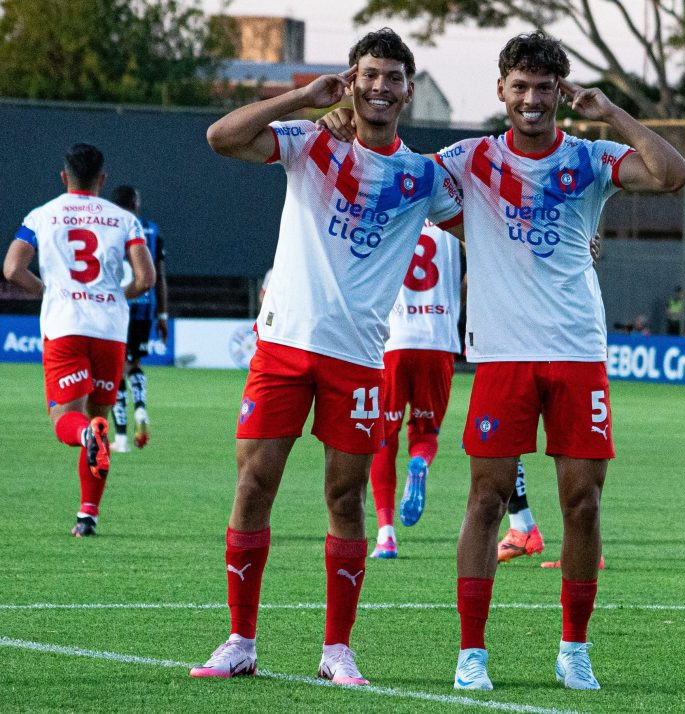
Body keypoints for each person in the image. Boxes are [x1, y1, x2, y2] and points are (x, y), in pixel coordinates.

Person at [188, 28, 463, 685]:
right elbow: (221, 138)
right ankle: (240, 641)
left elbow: (484, 226)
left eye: (393, 76)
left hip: (361, 358)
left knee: (346, 497)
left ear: (408, 89)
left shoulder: (424, 176)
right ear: (352, 77)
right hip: (283, 344)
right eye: (369, 73)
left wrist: (575, 241)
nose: (380, 86)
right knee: (254, 485)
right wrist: (302, 97)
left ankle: (337, 648)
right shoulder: (311, 142)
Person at [434, 32, 685, 691]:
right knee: (486, 499)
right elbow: (409, 190)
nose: (531, 99)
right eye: (519, 86)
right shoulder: (470, 158)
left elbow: (673, 174)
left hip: (577, 351)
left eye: (544, 88)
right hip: (501, 356)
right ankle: (471, 653)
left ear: (560, 93)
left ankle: (573, 648)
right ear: (500, 90)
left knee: (583, 504)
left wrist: (612, 113)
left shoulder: (592, 158)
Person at [2, 143, 155, 537]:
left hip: (65, 324)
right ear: (102, 179)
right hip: (109, 329)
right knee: (99, 421)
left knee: (67, 421)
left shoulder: (42, 215)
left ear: (63, 177)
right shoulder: (124, 219)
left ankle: (86, 435)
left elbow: (13, 267)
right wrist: (118, 294)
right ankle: (88, 516)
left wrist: (46, 291)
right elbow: (145, 279)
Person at [369, 220, 463, 559]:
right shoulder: (453, 213)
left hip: (394, 341)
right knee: (425, 433)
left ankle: (385, 535)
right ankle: (420, 461)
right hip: (438, 341)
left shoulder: (394, 211)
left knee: (384, 436)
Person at [109, 185, 168, 452]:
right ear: (135, 203)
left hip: (119, 305)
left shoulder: (108, 227)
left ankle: (121, 438)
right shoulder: (152, 230)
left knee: (115, 370)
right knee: (134, 362)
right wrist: (163, 314)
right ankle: (141, 408)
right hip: (146, 307)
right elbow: (160, 277)